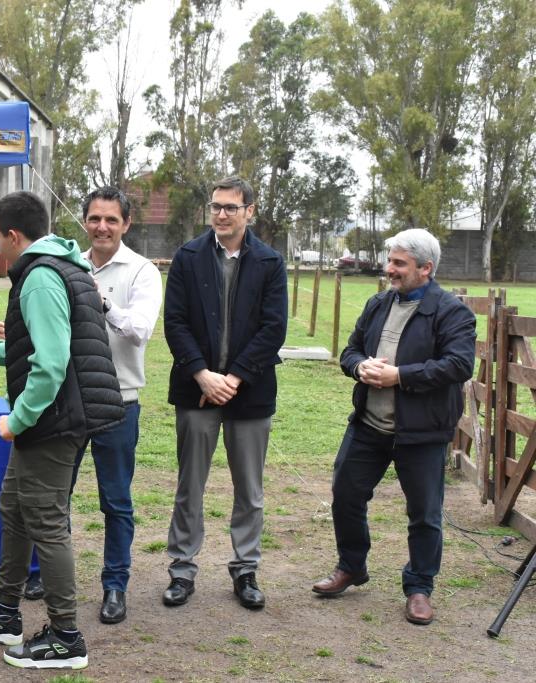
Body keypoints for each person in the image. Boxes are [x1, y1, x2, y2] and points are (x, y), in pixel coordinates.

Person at [0, 191, 124, 670]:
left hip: (53, 420)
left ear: (12, 234)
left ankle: (66, 637)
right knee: (16, 508)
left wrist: (17, 419)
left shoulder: (41, 277)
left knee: (46, 521)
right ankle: (5, 612)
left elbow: (50, 366)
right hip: (57, 415)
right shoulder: (61, 268)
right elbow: (35, 349)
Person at [311, 228, 475, 625]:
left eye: (399, 264)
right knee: (346, 494)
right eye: (390, 261)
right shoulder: (378, 303)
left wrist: (400, 376)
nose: (390, 270)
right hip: (369, 425)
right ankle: (352, 566)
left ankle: (419, 587)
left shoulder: (452, 312)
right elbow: (350, 350)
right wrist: (359, 366)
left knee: (424, 513)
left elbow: (459, 364)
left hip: (421, 433)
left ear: (426, 268)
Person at [23, 186, 161, 625]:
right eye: (95, 218)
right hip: (68, 400)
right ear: (85, 221)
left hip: (119, 401)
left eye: (112, 220)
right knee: (55, 495)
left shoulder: (142, 271)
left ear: (126, 224)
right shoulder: (68, 265)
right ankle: (47, 573)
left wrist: (102, 303)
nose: (102, 227)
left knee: (115, 500)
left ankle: (115, 585)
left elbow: (139, 331)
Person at [162, 175, 287, 611]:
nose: (220, 214)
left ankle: (245, 568)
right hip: (196, 390)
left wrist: (233, 377)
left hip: (249, 393)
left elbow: (274, 329)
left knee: (249, 489)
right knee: (189, 486)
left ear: (250, 211)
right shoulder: (188, 257)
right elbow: (174, 322)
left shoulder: (270, 262)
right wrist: (202, 375)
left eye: (230, 207)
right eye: (215, 206)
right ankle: (182, 569)